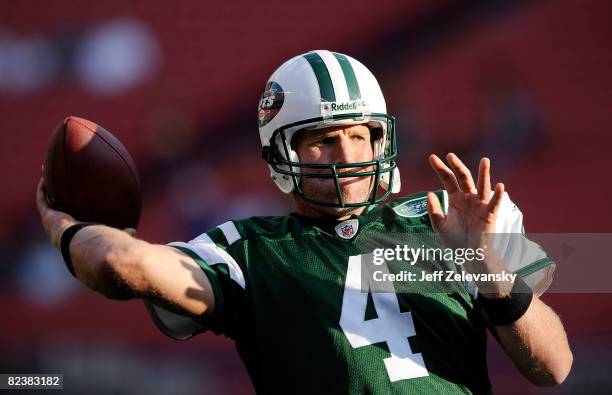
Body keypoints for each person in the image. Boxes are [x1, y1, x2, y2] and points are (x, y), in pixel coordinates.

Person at [37, 50, 572, 394]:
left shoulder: (447, 218)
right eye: (322, 139)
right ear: (280, 154)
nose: (346, 151)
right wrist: (64, 225)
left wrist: (490, 273)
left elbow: (553, 367)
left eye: (361, 134)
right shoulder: (248, 251)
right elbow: (113, 261)